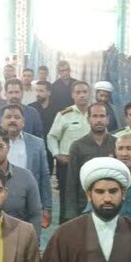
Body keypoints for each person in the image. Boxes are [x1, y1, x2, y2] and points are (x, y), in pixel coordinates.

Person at [0, 105, 51, 226]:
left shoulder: (37, 144)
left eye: (17, 117)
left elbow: (44, 176)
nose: (12, 120)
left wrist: (46, 207)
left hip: (28, 201)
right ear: (1, 121)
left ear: (23, 122)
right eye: (8, 117)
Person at [63, 103, 116, 222]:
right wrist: (71, 213)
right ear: (88, 119)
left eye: (102, 116)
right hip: (85, 206)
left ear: (107, 119)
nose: (98, 120)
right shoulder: (78, 146)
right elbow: (71, 181)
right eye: (95, 116)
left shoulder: (116, 144)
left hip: (111, 204)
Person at [47, 81, 90, 219]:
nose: (82, 95)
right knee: (67, 201)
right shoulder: (64, 114)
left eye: (85, 92)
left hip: (90, 164)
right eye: (78, 92)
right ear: (72, 95)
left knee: (89, 198)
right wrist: (57, 154)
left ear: (89, 94)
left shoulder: (95, 113)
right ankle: (65, 227)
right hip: (68, 165)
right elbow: (52, 136)